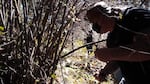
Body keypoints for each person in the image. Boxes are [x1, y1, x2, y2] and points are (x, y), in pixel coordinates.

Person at [86, 2, 150, 84]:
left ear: (107, 13)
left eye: (96, 21)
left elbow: (147, 50)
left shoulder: (135, 16)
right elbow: (120, 59)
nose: (95, 27)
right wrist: (104, 72)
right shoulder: (111, 39)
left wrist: (111, 53)